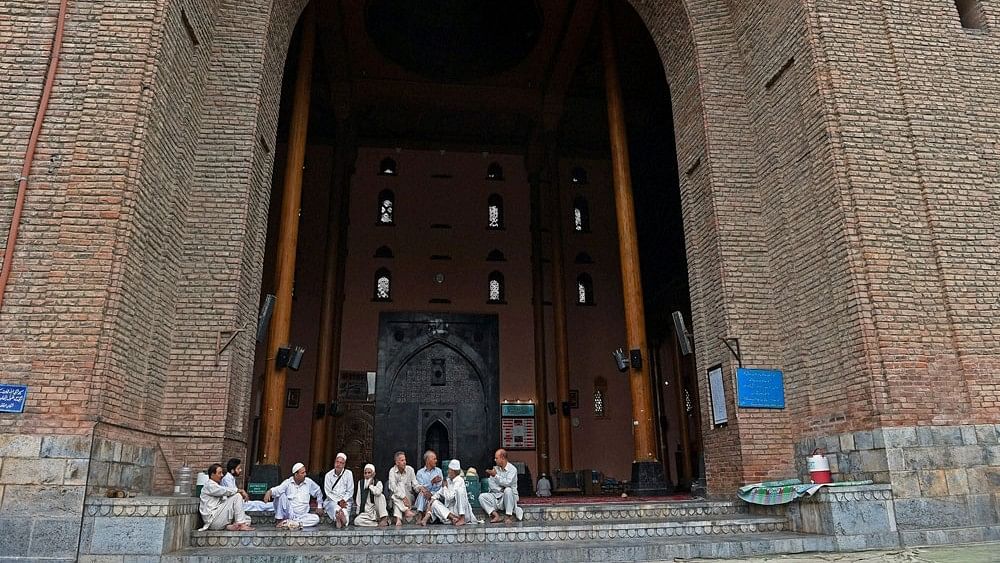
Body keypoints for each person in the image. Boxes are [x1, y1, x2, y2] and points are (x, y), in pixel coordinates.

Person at [263, 462, 324, 529]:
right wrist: (270, 491)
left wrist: (319, 506)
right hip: (290, 513)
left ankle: (291, 523)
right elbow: (278, 489)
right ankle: (280, 520)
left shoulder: (309, 482)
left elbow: (318, 492)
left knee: (316, 519)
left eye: (305, 472)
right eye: (302, 473)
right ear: (296, 474)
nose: (305, 474)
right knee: (281, 495)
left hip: (302, 516)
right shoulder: (288, 482)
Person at [198, 463, 253, 531]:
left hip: (219, 517)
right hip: (213, 520)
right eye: (219, 473)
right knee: (237, 496)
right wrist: (240, 490)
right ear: (212, 475)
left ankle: (230, 526)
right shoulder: (209, 485)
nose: (222, 475)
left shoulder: (217, 485)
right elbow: (225, 491)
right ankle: (241, 524)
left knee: (247, 519)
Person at [423, 459, 475, 526]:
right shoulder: (448, 480)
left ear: (454, 471)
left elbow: (450, 497)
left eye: (449, 470)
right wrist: (430, 502)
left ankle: (462, 518)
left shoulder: (460, 481)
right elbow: (439, 493)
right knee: (434, 503)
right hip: (449, 515)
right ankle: (453, 518)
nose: (448, 472)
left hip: (459, 512)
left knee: (460, 491)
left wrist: (445, 487)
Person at [478, 448, 523, 524]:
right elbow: (492, 485)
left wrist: (496, 476)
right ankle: (495, 515)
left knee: (508, 490)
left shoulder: (512, 469)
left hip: (508, 498)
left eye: (496, 458)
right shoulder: (495, 469)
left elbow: (508, 483)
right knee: (482, 497)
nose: (495, 460)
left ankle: (508, 516)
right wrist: (502, 487)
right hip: (496, 496)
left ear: (502, 458)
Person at [386, 450, 418, 527]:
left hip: (408, 498)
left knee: (396, 493)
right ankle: (406, 511)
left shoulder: (410, 470)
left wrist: (420, 488)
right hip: (398, 499)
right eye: (402, 460)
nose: (404, 462)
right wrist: (402, 497)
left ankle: (398, 519)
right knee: (396, 492)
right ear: (397, 463)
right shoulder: (392, 471)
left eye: (405, 460)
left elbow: (415, 484)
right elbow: (392, 487)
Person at [323, 452, 354, 528]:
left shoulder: (348, 474)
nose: (338, 464)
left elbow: (350, 491)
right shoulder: (328, 475)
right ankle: (340, 518)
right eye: (337, 462)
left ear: (344, 465)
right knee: (335, 507)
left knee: (344, 509)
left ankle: (340, 520)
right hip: (332, 500)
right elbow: (328, 493)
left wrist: (343, 500)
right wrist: (338, 501)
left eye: (341, 463)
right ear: (334, 462)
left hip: (345, 500)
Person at [414, 450, 443, 520]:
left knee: (429, 494)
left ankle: (423, 515)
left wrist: (431, 493)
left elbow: (440, 486)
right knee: (422, 493)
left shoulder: (438, 471)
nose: (436, 461)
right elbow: (421, 487)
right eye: (434, 459)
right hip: (424, 495)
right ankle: (420, 514)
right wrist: (431, 482)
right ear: (427, 460)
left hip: (435, 494)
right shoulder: (420, 473)